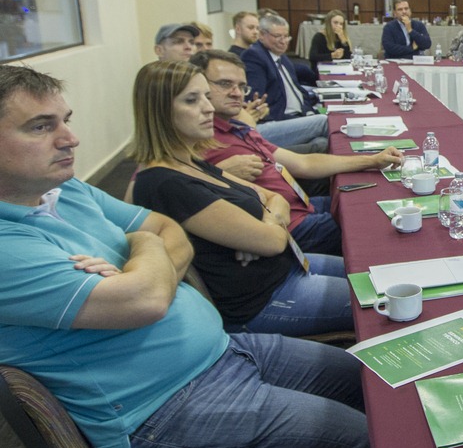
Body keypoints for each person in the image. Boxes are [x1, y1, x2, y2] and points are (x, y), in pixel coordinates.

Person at [0, 65, 381, 448]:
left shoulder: (64, 189)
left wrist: (140, 253)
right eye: (40, 127)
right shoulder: (7, 247)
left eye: (65, 121)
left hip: (221, 352)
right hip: (158, 418)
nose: (69, 139)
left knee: (367, 377)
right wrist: (146, 254)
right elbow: (149, 298)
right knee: (358, 439)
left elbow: (166, 231)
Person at [130, 60, 353, 336]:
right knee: (383, 296)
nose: (208, 108)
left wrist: (262, 225)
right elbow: (273, 241)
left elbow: (275, 199)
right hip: (263, 299)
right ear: (159, 111)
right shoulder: (165, 183)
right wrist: (264, 233)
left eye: (206, 97)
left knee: (369, 271)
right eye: (192, 100)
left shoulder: (190, 162)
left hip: (286, 266)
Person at [193, 50, 406, 254]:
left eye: (241, 86)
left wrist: (372, 161)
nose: (237, 93)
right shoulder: (198, 141)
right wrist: (218, 175)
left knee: (378, 196)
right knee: (380, 221)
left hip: (301, 205)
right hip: (292, 227)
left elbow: (304, 164)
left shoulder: (237, 127)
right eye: (225, 84)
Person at [242, 12, 329, 154]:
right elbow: (256, 101)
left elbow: (297, 89)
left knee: (323, 139)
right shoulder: (254, 56)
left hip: (298, 114)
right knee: (324, 121)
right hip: (275, 121)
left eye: (286, 36)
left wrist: (308, 112)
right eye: (277, 36)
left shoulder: (280, 55)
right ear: (262, 35)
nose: (283, 41)